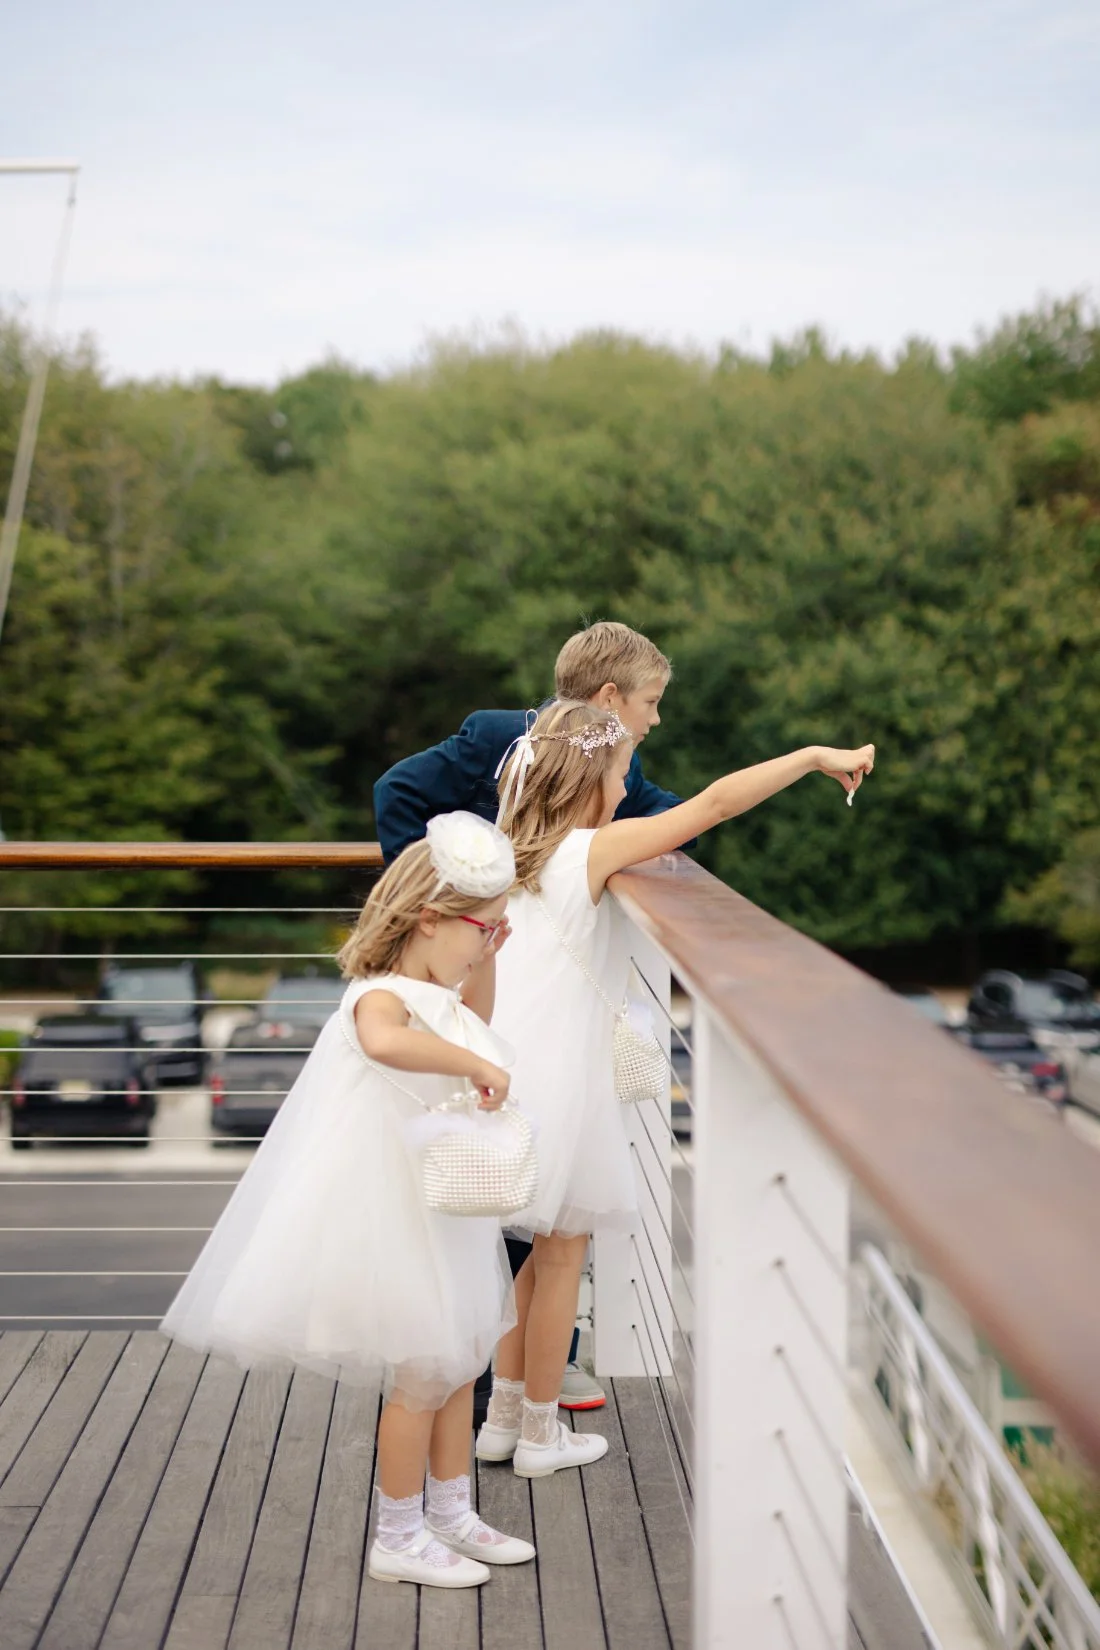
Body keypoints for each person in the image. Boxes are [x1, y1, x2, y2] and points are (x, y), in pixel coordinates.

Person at [476, 701, 875, 1477]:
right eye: (622, 776)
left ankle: (501, 1416)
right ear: (589, 781)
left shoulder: (509, 848)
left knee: (520, 1261)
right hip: (558, 1077)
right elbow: (716, 804)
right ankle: (539, 1435)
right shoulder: (591, 850)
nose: (628, 791)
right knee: (561, 1258)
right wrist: (808, 756)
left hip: (506, 1061)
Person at [161, 812, 535, 1590]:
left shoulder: (439, 990)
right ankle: (397, 1534)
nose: (486, 940)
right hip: (394, 1216)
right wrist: (472, 1063)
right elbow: (387, 1043)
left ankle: (451, 1510)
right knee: (420, 1377)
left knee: (460, 1360)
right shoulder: (380, 995)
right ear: (428, 919)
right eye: (481, 928)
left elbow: (478, 1018)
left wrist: (486, 962)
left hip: (443, 1211)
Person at [374, 619, 687, 1414]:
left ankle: (518, 1384)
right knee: (500, 1199)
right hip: (487, 980)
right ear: (610, 698)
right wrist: (448, 907)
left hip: (543, 991)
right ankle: (476, 1385)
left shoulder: (619, 768)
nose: (654, 721)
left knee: (539, 1208)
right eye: (649, 702)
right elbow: (396, 794)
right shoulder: (493, 738)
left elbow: (665, 824)